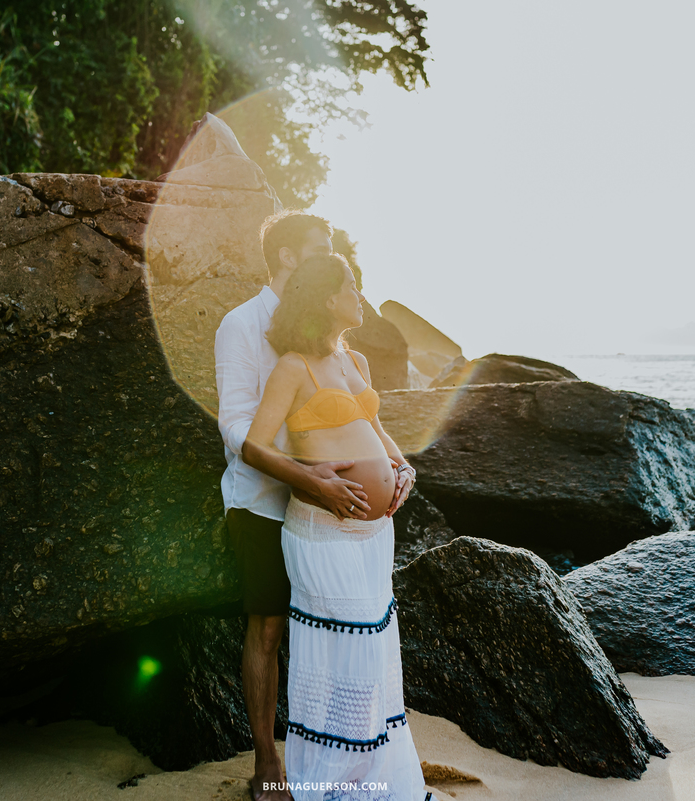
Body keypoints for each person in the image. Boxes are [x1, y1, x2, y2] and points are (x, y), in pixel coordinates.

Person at [216, 210, 390, 801]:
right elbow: (239, 429)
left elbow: (361, 415)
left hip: (334, 517)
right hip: (265, 503)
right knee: (266, 627)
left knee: (336, 634)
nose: (328, 257)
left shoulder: (325, 333)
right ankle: (268, 760)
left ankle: (346, 758)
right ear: (289, 256)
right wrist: (309, 477)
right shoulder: (241, 326)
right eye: (319, 249)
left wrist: (395, 467)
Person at [242, 252, 426, 801]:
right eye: (353, 285)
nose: (361, 295)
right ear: (328, 299)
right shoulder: (293, 367)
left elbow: (377, 430)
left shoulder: (357, 363)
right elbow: (254, 445)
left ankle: (372, 775)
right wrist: (316, 482)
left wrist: (405, 468)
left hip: (374, 536)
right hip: (322, 530)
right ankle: (327, 780)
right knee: (334, 657)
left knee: (369, 654)